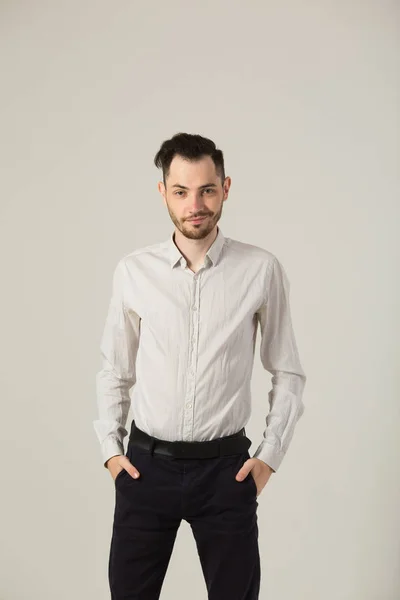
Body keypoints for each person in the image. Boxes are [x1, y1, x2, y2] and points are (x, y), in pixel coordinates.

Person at [93, 132, 307, 600]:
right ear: (163, 192)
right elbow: (115, 370)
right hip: (145, 470)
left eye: (207, 190)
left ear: (226, 188)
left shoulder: (260, 269)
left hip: (226, 473)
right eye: (181, 191)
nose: (196, 204)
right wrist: (111, 451)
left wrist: (269, 457)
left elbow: (287, 370)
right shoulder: (134, 271)